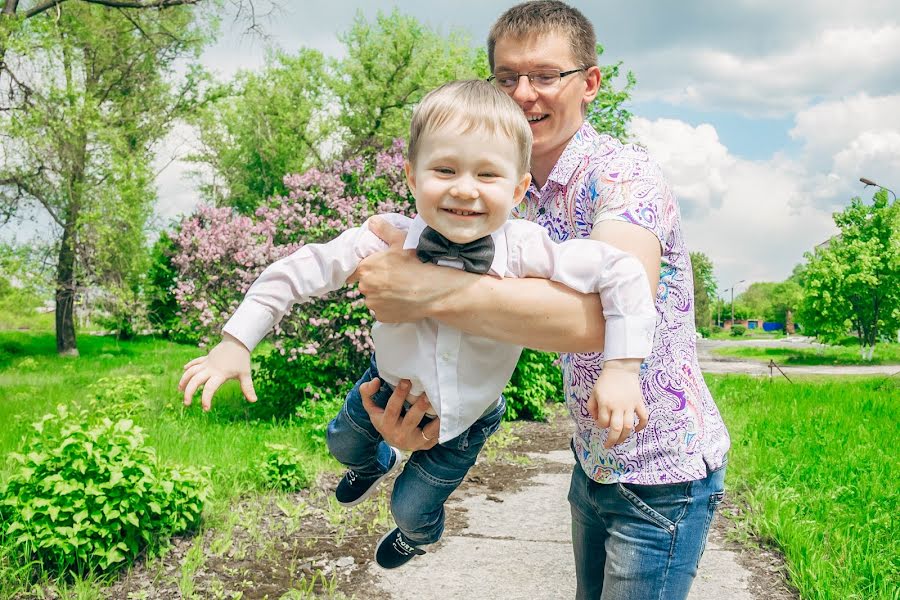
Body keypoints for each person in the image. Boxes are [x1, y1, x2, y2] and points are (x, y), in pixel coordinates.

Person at [179, 79, 657, 571]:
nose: (464, 188)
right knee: (341, 443)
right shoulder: (389, 237)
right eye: (444, 169)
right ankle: (371, 464)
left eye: (487, 174)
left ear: (517, 189)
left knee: (409, 509)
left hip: (467, 416)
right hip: (385, 384)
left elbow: (620, 271)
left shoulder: (526, 248)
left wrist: (621, 369)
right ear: (411, 176)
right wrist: (235, 342)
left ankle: (418, 535)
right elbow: (299, 270)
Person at [352, 2, 731, 597]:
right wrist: (429, 419)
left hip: (663, 471)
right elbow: (482, 327)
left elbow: (597, 322)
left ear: (590, 83)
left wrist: (426, 291)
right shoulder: (508, 193)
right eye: (507, 78)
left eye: (545, 76)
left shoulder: (622, 174)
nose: (524, 95)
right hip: (594, 461)